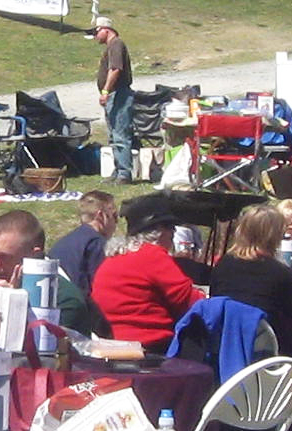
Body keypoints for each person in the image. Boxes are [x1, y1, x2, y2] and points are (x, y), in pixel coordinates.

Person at [208, 206, 292, 385]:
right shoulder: (280, 273)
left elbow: (215, 301)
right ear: (275, 236)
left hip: (223, 349)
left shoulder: (222, 266)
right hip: (269, 355)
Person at [88, 193, 199, 349]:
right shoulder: (152, 255)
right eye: (169, 226)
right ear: (157, 230)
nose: (174, 231)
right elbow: (188, 300)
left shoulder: (114, 257)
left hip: (111, 343)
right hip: (151, 345)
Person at [0, 209, 105, 337]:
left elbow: (41, 346)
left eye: (3, 256)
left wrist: (12, 306)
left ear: (34, 255)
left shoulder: (62, 300)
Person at [94, 20, 135, 183]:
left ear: (106, 29)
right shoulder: (111, 46)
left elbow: (116, 69)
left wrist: (105, 91)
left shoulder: (116, 44)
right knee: (113, 135)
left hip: (119, 94)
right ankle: (118, 170)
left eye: (97, 31)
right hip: (114, 95)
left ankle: (124, 173)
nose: (95, 36)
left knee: (120, 134)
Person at [53, 191, 115, 292]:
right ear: (101, 216)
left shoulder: (68, 240)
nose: (116, 222)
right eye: (114, 216)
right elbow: (100, 288)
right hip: (76, 299)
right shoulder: (96, 244)